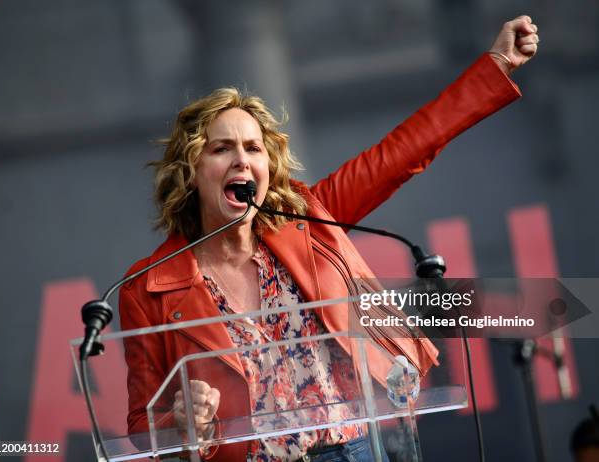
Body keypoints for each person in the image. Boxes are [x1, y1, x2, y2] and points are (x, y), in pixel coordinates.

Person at [119, 15, 539, 462]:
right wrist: (179, 422)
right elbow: (141, 427)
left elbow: (400, 154)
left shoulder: (308, 221)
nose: (241, 160)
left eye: (254, 148)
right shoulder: (146, 288)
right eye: (222, 149)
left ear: (269, 166)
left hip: (353, 451)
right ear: (191, 171)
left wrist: (494, 66)